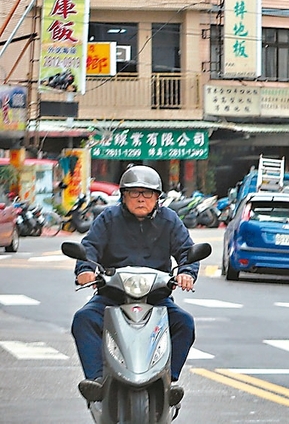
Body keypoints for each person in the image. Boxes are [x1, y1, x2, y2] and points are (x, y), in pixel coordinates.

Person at [71, 165, 200, 405]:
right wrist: (86, 269)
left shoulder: (169, 220)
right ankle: (96, 381)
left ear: (157, 197)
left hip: (156, 298)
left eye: (148, 193)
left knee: (184, 322)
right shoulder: (108, 218)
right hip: (112, 295)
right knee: (84, 319)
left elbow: (186, 251)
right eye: (134, 193)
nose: (141, 198)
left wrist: (187, 272)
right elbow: (89, 247)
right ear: (123, 195)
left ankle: (168, 382)